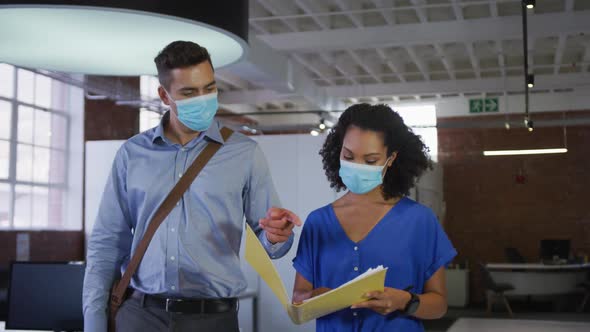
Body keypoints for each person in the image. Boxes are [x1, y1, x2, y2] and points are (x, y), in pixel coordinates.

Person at [83, 41, 301, 332]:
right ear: (164, 95)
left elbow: (271, 242)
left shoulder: (245, 153)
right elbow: (106, 244)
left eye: (209, 88)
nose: (203, 99)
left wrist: (276, 236)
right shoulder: (132, 154)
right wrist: (94, 322)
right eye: (188, 92)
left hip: (212, 319)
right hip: (140, 316)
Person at [292, 104, 457, 331]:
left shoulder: (419, 220)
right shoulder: (318, 222)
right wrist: (315, 298)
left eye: (370, 161)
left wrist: (404, 301)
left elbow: (439, 305)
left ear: (391, 158)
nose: (357, 167)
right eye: (348, 156)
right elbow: (298, 299)